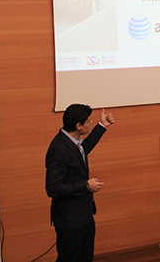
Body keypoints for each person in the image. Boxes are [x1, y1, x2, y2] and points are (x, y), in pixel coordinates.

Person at [45, 104, 115, 262]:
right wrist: (86, 185)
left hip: (84, 215)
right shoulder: (58, 149)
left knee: (86, 257)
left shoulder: (74, 141)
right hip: (69, 220)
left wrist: (102, 125)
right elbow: (53, 188)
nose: (91, 123)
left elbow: (85, 148)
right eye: (89, 121)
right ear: (78, 125)